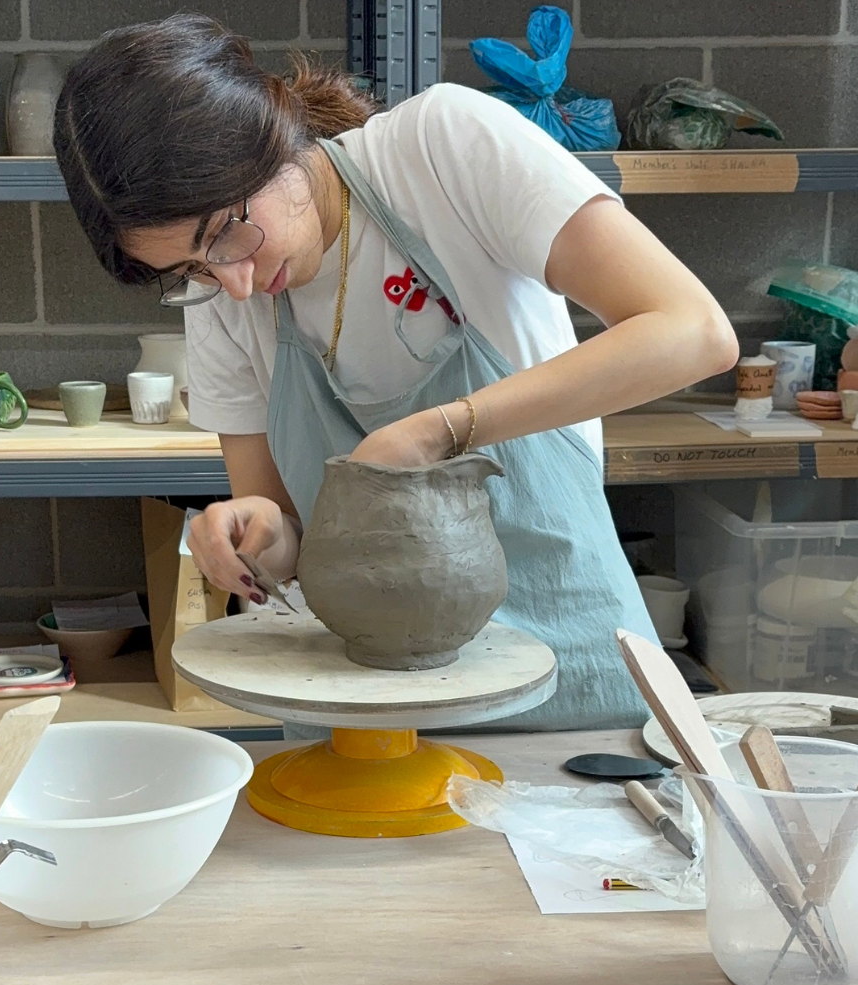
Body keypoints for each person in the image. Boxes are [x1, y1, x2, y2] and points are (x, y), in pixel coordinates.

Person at [54, 14, 738, 731]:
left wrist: (440, 431)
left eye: (225, 232)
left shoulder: (441, 150)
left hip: (564, 691)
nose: (236, 284)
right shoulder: (223, 297)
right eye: (188, 270)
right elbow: (290, 538)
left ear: (272, 136)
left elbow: (693, 332)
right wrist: (257, 538)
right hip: (361, 714)